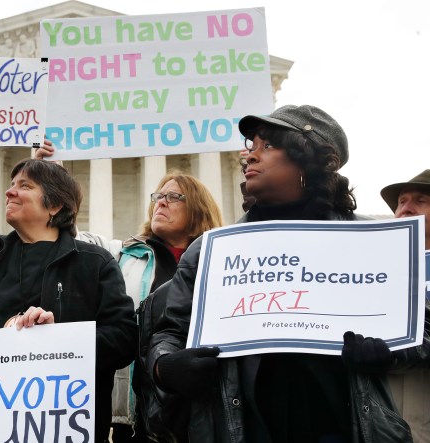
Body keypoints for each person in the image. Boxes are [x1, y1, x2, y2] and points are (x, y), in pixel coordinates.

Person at [148, 105, 425, 442]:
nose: (249, 156)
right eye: (252, 146)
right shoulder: (212, 249)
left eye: (268, 146)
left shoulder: (373, 242)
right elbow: (168, 332)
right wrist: (166, 367)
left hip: (343, 426)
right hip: (245, 428)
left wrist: (389, 350)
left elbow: (423, 335)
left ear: (308, 161)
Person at [0, 140, 138, 443]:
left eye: (25, 186)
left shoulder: (94, 264)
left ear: (55, 205)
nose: (10, 191)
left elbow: (124, 338)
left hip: (58, 425)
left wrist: (58, 338)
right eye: (11, 184)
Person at [36, 142, 224, 442]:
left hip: (199, 411)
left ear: (199, 209)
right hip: (133, 416)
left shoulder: (221, 263)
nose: (160, 203)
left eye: (173, 197)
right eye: (158, 197)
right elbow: (68, 238)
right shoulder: (121, 255)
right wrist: (52, 182)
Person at [381, 170, 430, 443]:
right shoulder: (375, 267)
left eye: (420, 200)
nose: (405, 208)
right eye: (401, 201)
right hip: (389, 416)